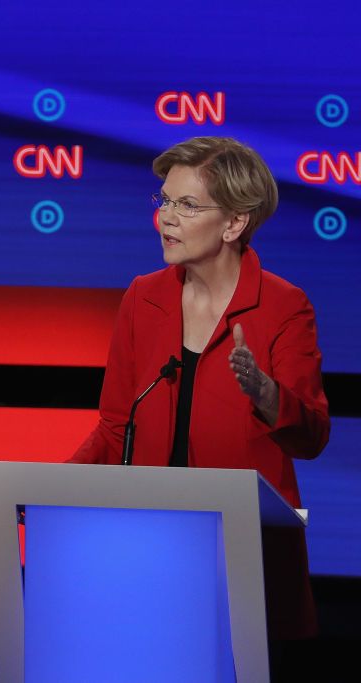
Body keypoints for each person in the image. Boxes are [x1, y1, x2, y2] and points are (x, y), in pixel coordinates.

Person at [70, 137, 329, 651]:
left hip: (242, 550)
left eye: (187, 206)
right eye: (164, 201)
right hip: (151, 546)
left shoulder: (282, 306)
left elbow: (313, 435)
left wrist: (265, 392)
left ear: (235, 223)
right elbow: (116, 425)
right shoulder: (144, 297)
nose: (166, 218)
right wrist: (52, 487)